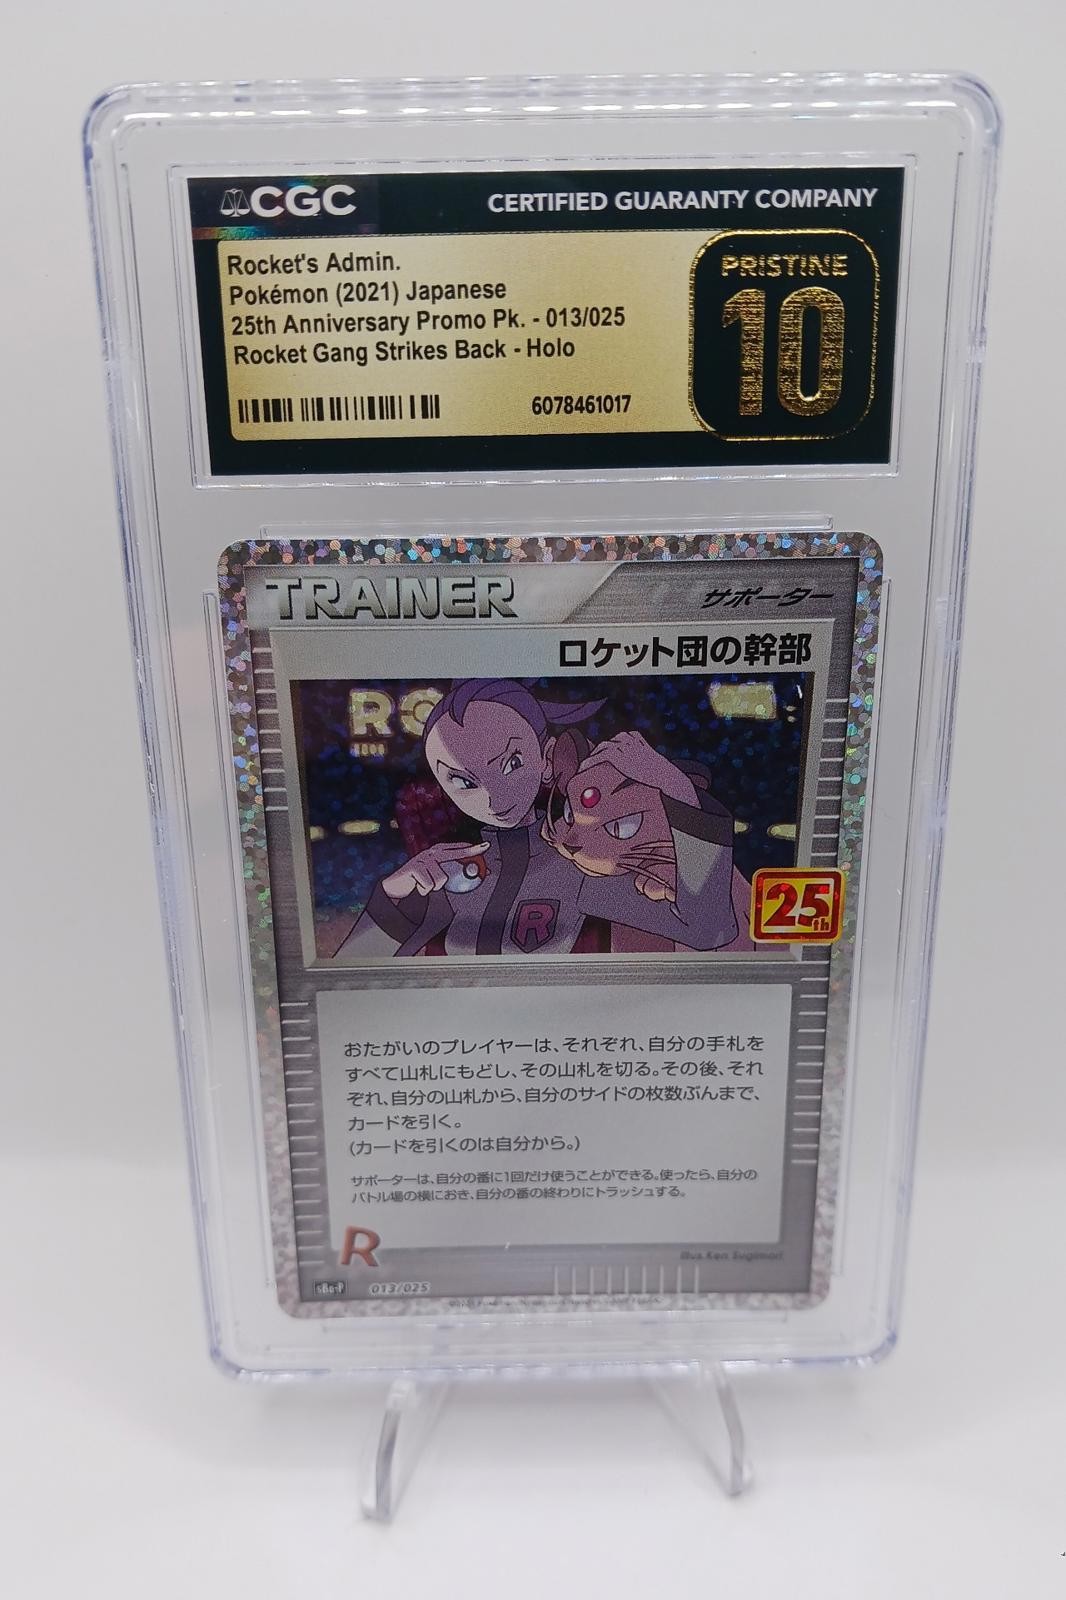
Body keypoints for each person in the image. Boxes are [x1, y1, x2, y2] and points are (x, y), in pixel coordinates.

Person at [334, 678, 740, 958]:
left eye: (511, 763)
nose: (492, 797)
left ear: (547, 759)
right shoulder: (446, 876)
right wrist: (392, 893)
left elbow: (708, 930)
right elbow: (351, 967)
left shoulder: (581, 870)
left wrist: (677, 791)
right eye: (463, 781)